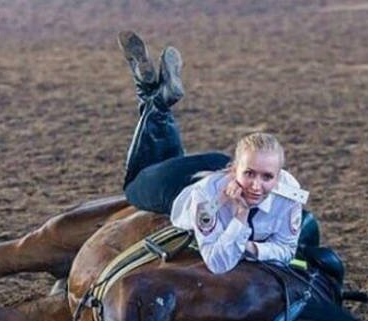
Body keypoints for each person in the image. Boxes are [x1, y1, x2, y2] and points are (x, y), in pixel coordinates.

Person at [118, 31, 309, 274]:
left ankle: (149, 93)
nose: (256, 186)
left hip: (219, 164)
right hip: (177, 184)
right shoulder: (205, 197)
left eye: (267, 177)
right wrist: (240, 218)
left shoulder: (290, 192)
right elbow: (218, 263)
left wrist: (251, 245)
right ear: (235, 169)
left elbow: (286, 249)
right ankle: (155, 100)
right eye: (250, 174)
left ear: (280, 176)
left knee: (163, 156)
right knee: (133, 185)